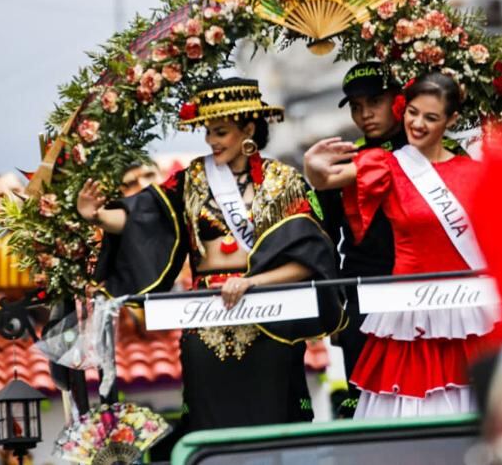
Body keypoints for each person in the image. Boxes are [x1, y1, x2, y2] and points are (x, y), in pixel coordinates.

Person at [80, 77, 341, 431]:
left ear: (248, 128)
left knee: (273, 419)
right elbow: (141, 219)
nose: (210, 141)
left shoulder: (284, 181)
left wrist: (252, 281)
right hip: (206, 314)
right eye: (208, 132)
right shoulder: (191, 179)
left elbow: (308, 259)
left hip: (271, 317)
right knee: (210, 420)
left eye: (220, 132)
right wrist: (95, 215)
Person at [307, 71, 492, 417]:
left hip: (461, 307)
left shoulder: (471, 169)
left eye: (431, 117)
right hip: (398, 304)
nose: (418, 124)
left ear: (451, 120)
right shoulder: (384, 164)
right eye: (413, 113)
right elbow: (325, 185)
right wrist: (312, 166)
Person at [304, 62, 404, 415]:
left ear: (399, 98)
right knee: (365, 403)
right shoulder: (342, 162)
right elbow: (324, 238)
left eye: (374, 102)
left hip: (430, 289)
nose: (365, 114)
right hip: (366, 293)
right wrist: (334, 310)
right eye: (356, 107)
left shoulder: (436, 151)